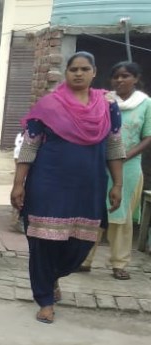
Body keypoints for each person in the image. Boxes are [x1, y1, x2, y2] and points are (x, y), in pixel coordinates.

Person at [11, 52, 124, 324]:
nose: (78, 73)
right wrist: (19, 184)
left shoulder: (108, 106)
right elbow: (30, 144)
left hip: (89, 186)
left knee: (80, 244)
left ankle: (53, 277)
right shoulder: (49, 105)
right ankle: (45, 299)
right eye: (73, 69)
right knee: (43, 242)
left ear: (94, 72)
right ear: (66, 72)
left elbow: (114, 146)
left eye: (85, 68)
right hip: (48, 183)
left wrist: (118, 183)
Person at [80, 61, 151, 279]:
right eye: (116, 76)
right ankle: (84, 260)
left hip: (128, 167)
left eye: (125, 76)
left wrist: (123, 157)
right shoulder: (103, 101)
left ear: (136, 79)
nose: (120, 80)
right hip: (99, 165)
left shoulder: (146, 103)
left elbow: (148, 136)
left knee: (121, 215)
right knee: (92, 212)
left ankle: (119, 263)